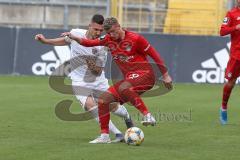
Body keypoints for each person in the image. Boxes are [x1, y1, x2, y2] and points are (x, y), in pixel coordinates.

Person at [62, 17, 173, 143]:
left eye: (114, 32)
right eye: (109, 33)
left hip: (145, 75)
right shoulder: (108, 39)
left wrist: (165, 75)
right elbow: (88, 43)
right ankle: (104, 136)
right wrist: (74, 37)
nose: (112, 35)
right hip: (130, 79)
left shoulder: (136, 39)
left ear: (119, 26)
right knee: (104, 100)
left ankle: (148, 115)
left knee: (124, 87)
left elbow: (155, 55)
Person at [35, 14, 133, 143]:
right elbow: (65, 41)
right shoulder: (76, 33)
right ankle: (117, 134)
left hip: (98, 81)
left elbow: (98, 71)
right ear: (90, 26)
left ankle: (127, 118)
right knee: (89, 105)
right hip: (79, 80)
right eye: (96, 29)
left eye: (100, 30)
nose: (98, 33)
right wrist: (45, 41)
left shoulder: (102, 45)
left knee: (113, 107)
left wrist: (92, 66)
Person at [219, 0, 240, 125]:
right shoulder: (231, 14)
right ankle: (223, 107)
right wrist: (235, 27)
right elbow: (222, 31)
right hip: (236, 56)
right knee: (231, 82)